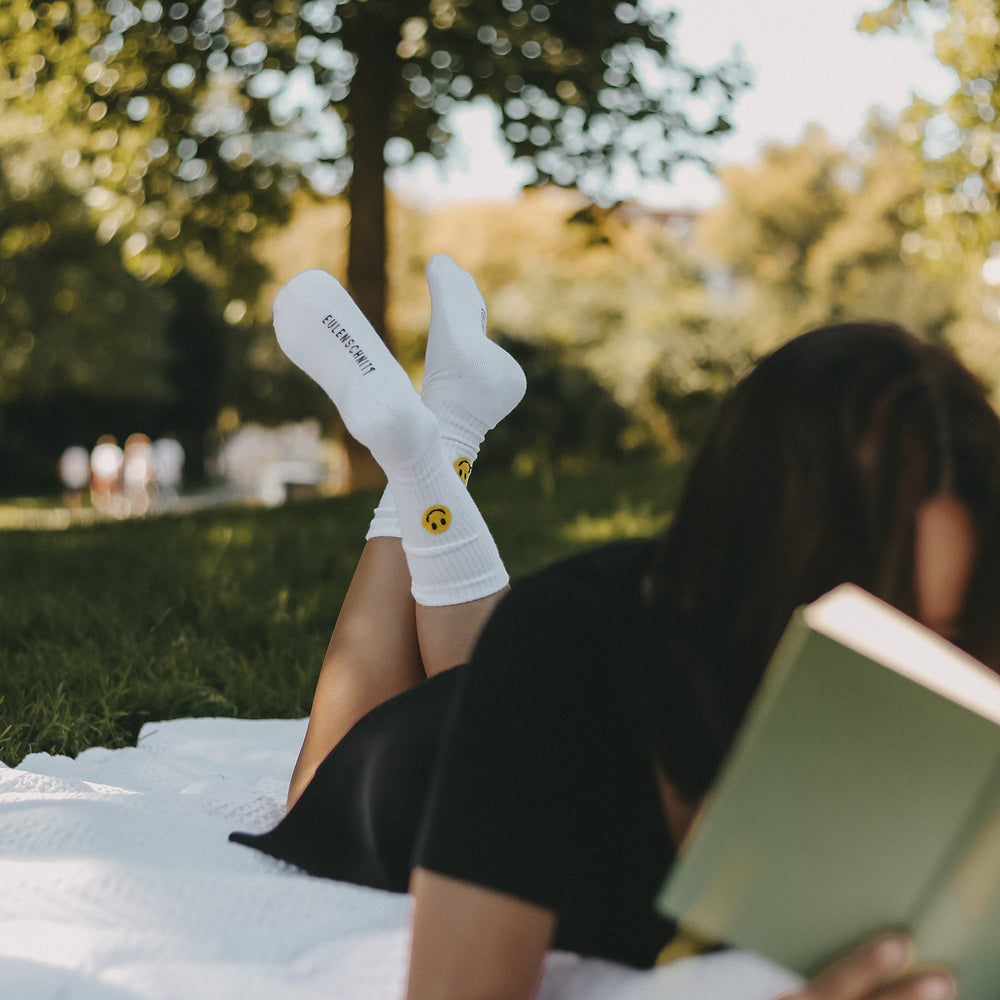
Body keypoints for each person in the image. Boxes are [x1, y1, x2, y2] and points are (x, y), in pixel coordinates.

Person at [231, 254, 1000, 1000]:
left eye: (948, 629)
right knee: (323, 779)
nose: (912, 666)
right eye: (867, 621)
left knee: (497, 668)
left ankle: (442, 434)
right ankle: (431, 448)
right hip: (415, 772)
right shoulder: (573, 647)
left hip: (514, 700)